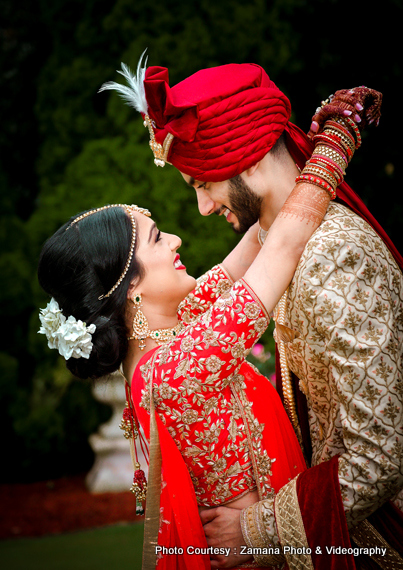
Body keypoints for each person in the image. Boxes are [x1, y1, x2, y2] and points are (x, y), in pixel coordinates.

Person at [100, 56, 403, 569]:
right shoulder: (278, 257)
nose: (198, 211)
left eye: (201, 182)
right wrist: (332, 143)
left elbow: (382, 455)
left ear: (249, 157)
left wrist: (254, 530)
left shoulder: (334, 255)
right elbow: (274, 242)